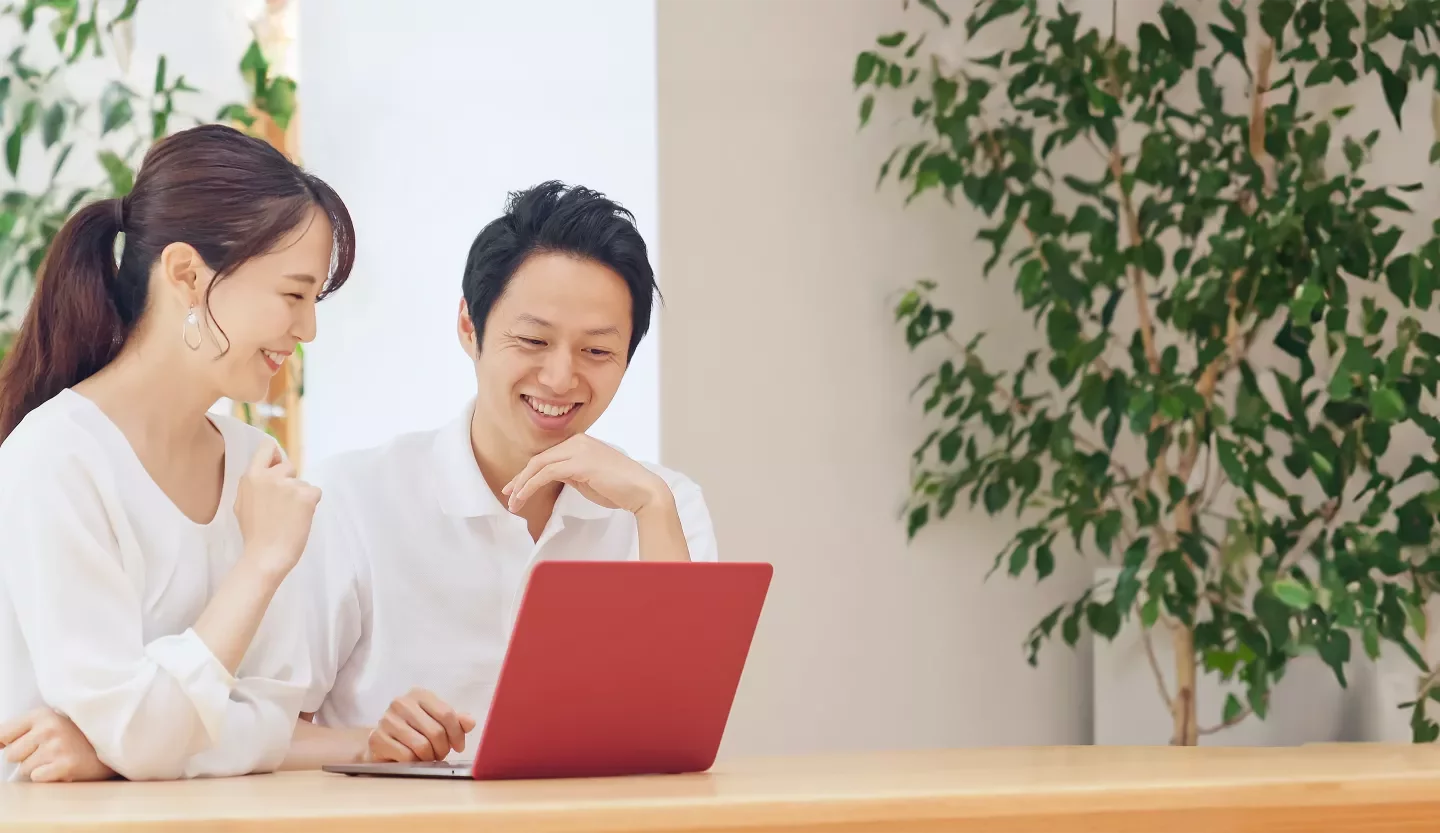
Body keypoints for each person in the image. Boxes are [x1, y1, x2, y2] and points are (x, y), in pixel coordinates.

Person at [296, 181, 718, 765]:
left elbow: (684, 729)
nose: (559, 377)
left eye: (597, 352)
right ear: (470, 327)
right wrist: (366, 745)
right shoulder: (351, 499)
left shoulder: (663, 504)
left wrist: (653, 507)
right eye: (533, 340)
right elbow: (268, 730)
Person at [0, 124, 356, 782]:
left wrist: (114, 754)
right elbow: (142, 734)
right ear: (187, 274)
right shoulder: (56, 460)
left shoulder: (255, 459)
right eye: (293, 294)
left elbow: (270, 720)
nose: (306, 329)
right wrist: (262, 562)